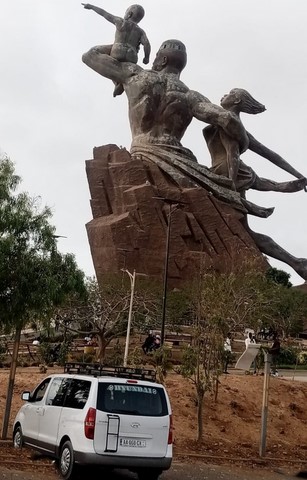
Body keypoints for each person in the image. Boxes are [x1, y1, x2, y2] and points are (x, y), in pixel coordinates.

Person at [203, 88, 307, 280]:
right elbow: (270, 154)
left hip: (226, 175)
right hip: (226, 174)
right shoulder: (231, 122)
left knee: (242, 229)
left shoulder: (229, 122)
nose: (224, 94)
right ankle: (296, 262)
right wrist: (298, 174)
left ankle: (297, 262)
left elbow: (232, 154)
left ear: (236, 101)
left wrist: (231, 190)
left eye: (229, 93)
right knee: (246, 231)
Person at [82, 3, 151, 96]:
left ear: (129, 14)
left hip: (118, 50)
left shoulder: (121, 22)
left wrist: (92, 7)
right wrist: (146, 58)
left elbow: (105, 14)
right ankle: (118, 83)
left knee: (105, 58)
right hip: (132, 56)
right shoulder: (140, 31)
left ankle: (117, 81)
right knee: (118, 65)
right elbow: (146, 44)